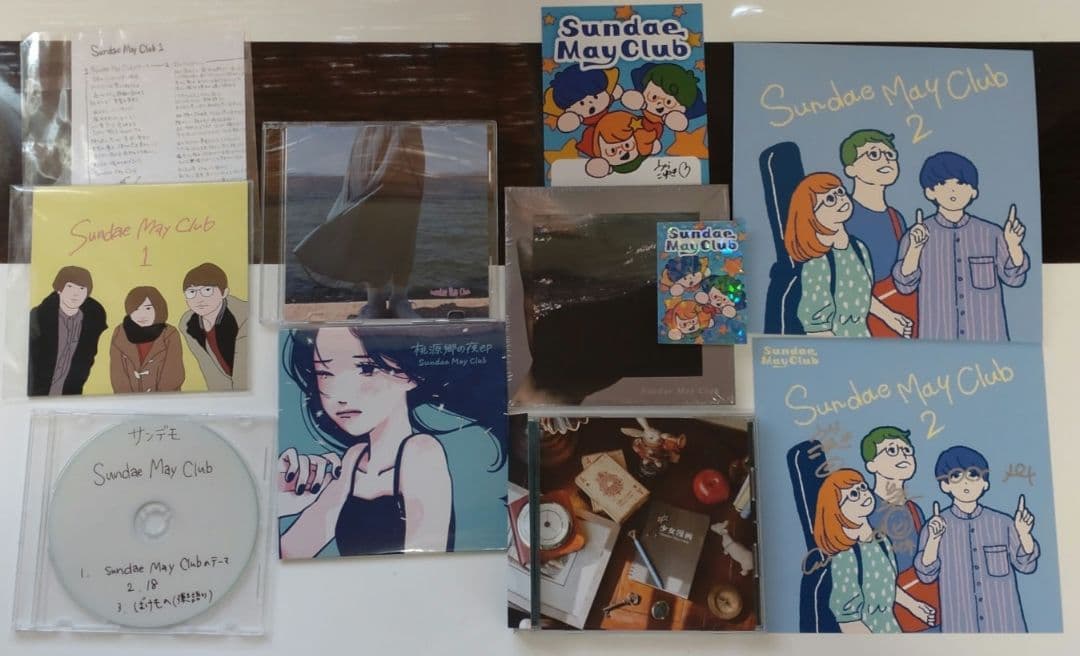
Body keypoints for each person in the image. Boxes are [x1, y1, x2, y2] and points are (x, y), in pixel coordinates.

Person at [276, 326, 507, 557]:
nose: (341, 396)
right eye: (324, 374)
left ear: (408, 375)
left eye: (366, 368)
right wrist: (280, 504)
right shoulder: (353, 460)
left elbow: (427, 565)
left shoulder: (421, 453)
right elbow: (290, 552)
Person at [293, 124, 426, 319]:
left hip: (406, 124)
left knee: (406, 211)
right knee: (368, 213)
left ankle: (399, 298)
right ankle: (375, 301)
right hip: (372, 128)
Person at [893, 151, 1029, 341]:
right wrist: (915, 249)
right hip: (937, 340)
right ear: (929, 192)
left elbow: (1015, 279)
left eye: (960, 183)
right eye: (942, 184)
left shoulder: (992, 233)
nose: (952, 190)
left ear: (973, 191)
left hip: (988, 339)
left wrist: (1014, 246)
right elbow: (904, 286)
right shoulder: (916, 235)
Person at [915, 446, 1039, 632]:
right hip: (960, 630)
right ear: (945, 485)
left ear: (985, 483)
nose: (965, 482)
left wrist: (1024, 534)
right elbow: (926, 575)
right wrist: (934, 539)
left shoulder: (1004, 523)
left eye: (973, 474)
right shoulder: (934, 526)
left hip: (1006, 627)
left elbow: (1027, 566)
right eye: (956, 475)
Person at [784, 172, 912, 338]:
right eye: (830, 199)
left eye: (840, 192)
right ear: (811, 214)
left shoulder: (858, 248)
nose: (840, 199)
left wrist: (891, 318)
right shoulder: (818, 262)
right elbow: (817, 329)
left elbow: (860, 296)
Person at [813, 469, 936, 633]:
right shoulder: (846, 557)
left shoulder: (881, 541)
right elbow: (848, 620)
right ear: (836, 509)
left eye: (863, 487)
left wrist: (914, 606)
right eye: (853, 494)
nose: (863, 494)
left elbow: (886, 586)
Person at [839, 129, 918, 338]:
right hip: (863, 321)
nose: (886, 160)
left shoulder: (895, 217)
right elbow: (843, 281)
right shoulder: (842, 216)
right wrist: (888, 316)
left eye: (890, 155)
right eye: (873, 154)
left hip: (902, 313)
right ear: (851, 169)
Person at [28, 266, 108, 396]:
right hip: (36, 394)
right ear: (59, 289)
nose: (76, 294)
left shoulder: (92, 323)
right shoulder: (39, 317)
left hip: (71, 396)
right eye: (70, 287)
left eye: (82, 289)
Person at [179, 262, 248, 391]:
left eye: (207, 290)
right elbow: (209, 367)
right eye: (192, 292)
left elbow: (243, 374)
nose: (199, 299)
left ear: (224, 292)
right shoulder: (187, 323)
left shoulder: (244, 317)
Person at [109, 286, 184, 393]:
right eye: (136, 309)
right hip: (128, 401)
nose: (142, 315)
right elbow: (118, 374)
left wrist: (159, 400)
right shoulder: (120, 333)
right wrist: (128, 400)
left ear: (157, 308)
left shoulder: (169, 334)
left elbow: (173, 374)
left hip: (166, 399)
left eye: (148, 308)